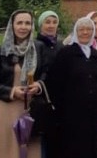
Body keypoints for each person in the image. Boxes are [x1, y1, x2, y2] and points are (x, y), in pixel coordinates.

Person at [46, 16, 97, 158]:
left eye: (89, 29)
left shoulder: (96, 55)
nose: (85, 32)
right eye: (81, 29)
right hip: (71, 116)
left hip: (93, 115)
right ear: (76, 31)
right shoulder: (65, 53)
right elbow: (55, 84)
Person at [0, 9, 41, 158]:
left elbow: (47, 73)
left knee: (31, 151)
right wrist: (12, 91)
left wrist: (39, 85)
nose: (23, 27)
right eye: (19, 22)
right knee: (7, 151)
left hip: (31, 109)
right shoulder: (1, 51)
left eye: (27, 23)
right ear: (12, 25)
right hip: (7, 109)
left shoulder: (38, 49)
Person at [34, 10, 63, 158]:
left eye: (54, 22)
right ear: (41, 25)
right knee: (45, 137)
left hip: (59, 98)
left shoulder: (60, 45)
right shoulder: (36, 45)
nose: (51, 26)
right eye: (47, 22)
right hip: (43, 97)